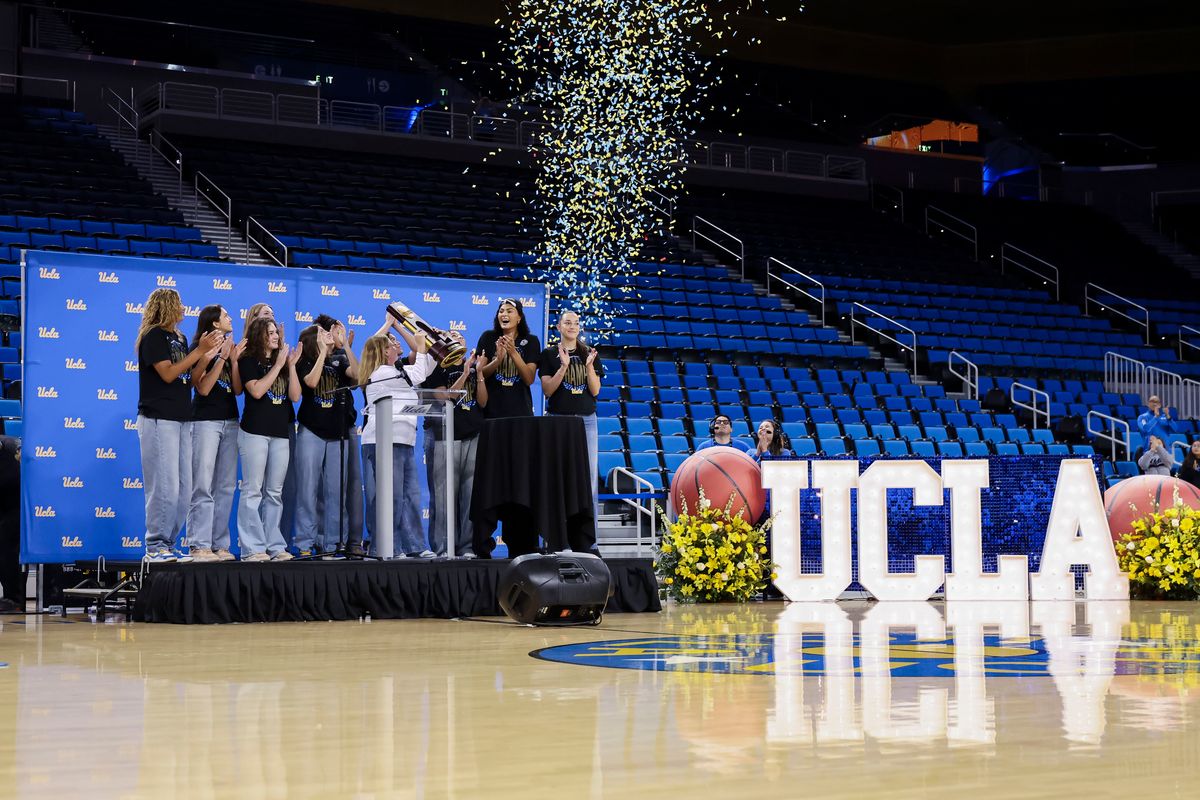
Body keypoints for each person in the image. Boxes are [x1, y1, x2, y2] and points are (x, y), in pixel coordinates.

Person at [136, 287, 222, 563]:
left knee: (184, 489)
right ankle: (155, 545)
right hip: (159, 417)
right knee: (165, 486)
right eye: (180, 303)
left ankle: (169, 544)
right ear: (168, 306)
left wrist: (206, 357)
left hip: (183, 417)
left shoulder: (180, 338)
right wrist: (199, 351)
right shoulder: (154, 336)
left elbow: (188, 375)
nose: (184, 307)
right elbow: (169, 373)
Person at [359, 319, 434, 558]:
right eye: (391, 344)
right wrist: (421, 348)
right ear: (383, 352)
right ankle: (390, 546)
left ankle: (414, 546)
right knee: (391, 497)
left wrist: (434, 345)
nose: (395, 346)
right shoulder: (381, 373)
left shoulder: (396, 371)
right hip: (384, 440)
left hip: (403, 440)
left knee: (410, 496)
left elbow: (425, 369)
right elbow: (419, 373)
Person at [237, 318, 301, 562]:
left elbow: (294, 396)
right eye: (271, 332)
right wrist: (279, 365)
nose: (276, 336)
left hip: (280, 434)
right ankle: (252, 548)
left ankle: (274, 545)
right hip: (255, 432)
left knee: (275, 493)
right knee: (253, 491)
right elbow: (256, 390)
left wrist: (291, 366)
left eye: (276, 332)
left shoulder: (282, 362)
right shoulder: (248, 360)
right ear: (259, 335)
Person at [293, 322, 358, 558]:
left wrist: (346, 347)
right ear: (313, 339)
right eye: (322, 333)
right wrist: (323, 352)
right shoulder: (304, 360)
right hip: (312, 430)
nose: (328, 335)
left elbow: (358, 376)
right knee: (308, 490)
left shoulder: (339, 359)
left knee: (336, 492)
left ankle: (332, 544)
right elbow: (310, 383)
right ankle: (304, 543)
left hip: (337, 433)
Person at [422, 330, 488, 557]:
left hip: (473, 433)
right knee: (443, 496)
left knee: (469, 495)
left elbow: (482, 400)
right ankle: (442, 547)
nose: (456, 339)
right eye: (451, 337)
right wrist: (465, 371)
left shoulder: (474, 366)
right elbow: (447, 396)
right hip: (446, 436)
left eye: (459, 337)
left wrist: (477, 373)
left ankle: (467, 546)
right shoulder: (440, 369)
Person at [186, 305, 242, 563]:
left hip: (230, 420)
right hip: (205, 421)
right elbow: (205, 388)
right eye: (226, 315)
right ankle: (199, 544)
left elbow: (237, 389)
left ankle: (220, 544)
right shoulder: (200, 346)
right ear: (215, 323)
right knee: (203, 484)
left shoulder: (229, 348)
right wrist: (219, 358)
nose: (231, 318)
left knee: (227, 486)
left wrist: (232, 360)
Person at [538, 310, 603, 520]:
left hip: (587, 421)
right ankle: (556, 536)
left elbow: (595, 391)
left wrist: (590, 368)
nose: (572, 326)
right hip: (558, 419)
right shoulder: (549, 354)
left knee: (589, 478)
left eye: (576, 323)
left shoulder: (589, 353)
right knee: (556, 476)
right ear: (559, 327)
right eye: (567, 323)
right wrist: (563, 368)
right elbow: (547, 390)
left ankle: (589, 540)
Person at [314, 314, 366, 557]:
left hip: (347, 426)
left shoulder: (343, 354)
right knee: (327, 489)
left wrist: (346, 346)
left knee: (352, 486)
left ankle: (352, 541)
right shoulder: (315, 357)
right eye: (334, 331)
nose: (337, 334)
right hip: (322, 430)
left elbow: (357, 378)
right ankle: (325, 541)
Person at [476, 298, 541, 418]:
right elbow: (480, 374)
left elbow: (529, 379)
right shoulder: (488, 337)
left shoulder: (531, 341)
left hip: (520, 412)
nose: (504, 314)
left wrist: (513, 352)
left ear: (519, 318)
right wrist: (497, 360)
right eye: (501, 311)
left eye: (509, 311)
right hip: (491, 412)